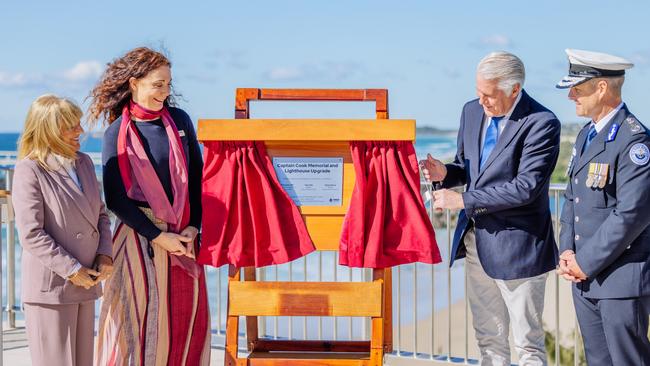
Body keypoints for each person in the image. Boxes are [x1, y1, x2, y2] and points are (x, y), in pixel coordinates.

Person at [420, 51, 561, 365]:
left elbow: (526, 187)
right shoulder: (471, 111)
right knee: (489, 342)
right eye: (478, 92)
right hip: (476, 244)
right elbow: (465, 168)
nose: (481, 101)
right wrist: (445, 174)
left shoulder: (542, 122)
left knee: (528, 346)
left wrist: (463, 200)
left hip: (520, 247)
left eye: (489, 95)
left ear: (514, 90)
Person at [88, 47, 210, 365]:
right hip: (139, 239)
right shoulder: (116, 133)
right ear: (134, 83)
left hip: (184, 237)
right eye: (158, 84)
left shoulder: (180, 121)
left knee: (186, 325)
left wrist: (194, 226)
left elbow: (198, 178)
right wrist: (159, 236)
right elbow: (114, 198)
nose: (165, 91)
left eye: (168, 84)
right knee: (134, 328)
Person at [556, 48, 650, 365]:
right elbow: (573, 198)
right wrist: (567, 251)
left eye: (577, 88)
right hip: (586, 278)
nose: (571, 95)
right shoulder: (586, 136)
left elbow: (631, 214)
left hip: (620, 281)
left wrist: (585, 261)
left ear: (601, 88)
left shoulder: (634, 140)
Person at [13, 94, 113, 366]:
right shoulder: (29, 169)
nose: (80, 131)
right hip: (53, 288)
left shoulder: (83, 162)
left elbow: (100, 214)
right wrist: (72, 270)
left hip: (87, 281)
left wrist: (105, 255)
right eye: (71, 126)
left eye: (78, 124)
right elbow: (31, 233)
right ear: (48, 129)